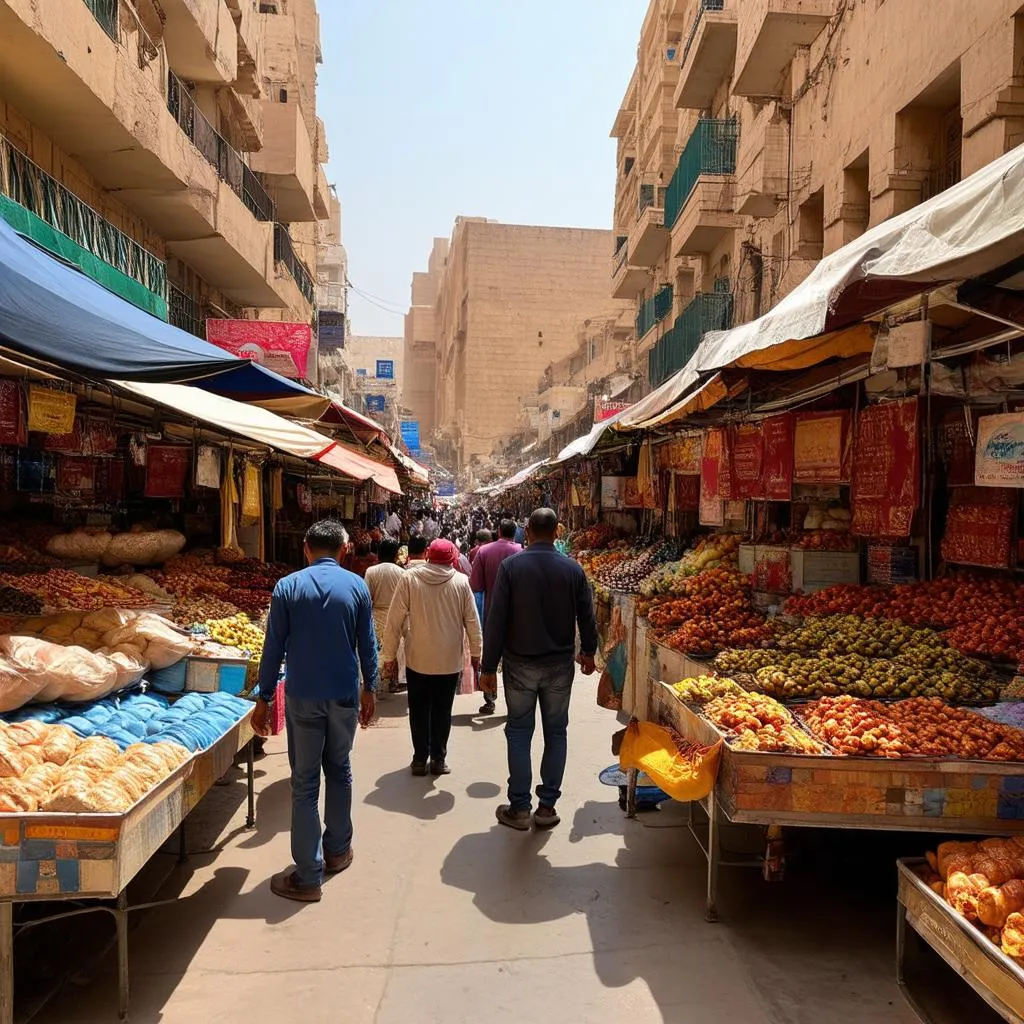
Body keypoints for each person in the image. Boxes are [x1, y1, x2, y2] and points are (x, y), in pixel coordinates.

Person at [253, 520, 378, 902]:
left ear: (305, 547)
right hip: (343, 693)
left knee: (305, 783)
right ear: (344, 550)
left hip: (303, 695)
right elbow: (367, 644)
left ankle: (309, 874)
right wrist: (370, 688)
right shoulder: (356, 586)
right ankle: (338, 851)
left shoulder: (287, 587)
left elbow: (272, 647)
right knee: (340, 770)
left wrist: (263, 697)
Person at [480, 508, 597, 831]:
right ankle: (546, 807)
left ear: (527, 531)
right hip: (559, 665)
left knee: (519, 732)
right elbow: (586, 614)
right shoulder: (572, 569)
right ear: (558, 531)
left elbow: (496, 619)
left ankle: (519, 808)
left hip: (519, 664)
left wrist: (488, 666)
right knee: (556, 732)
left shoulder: (511, 568)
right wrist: (589, 651)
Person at [381, 539, 482, 776]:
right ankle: (438, 759)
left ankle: (419, 759)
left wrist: (388, 656)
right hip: (449, 660)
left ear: (428, 555)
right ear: (452, 558)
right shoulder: (460, 582)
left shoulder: (409, 578)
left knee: (418, 709)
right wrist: (477, 654)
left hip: (418, 657)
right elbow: (472, 622)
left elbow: (394, 620)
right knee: (442, 709)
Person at [469, 520, 522, 715]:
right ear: (515, 533)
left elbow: (476, 586)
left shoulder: (484, 552)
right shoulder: (521, 552)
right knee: (513, 659)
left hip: (491, 613)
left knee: (489, 658)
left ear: (498, 532)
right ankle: (513, 704)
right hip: (517, 615)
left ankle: (490, 700)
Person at [364, 539, 405, 692]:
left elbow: (367, 597)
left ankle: (376, 680)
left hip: (376, 615)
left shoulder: (371, 571)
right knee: (394, 648)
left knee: (376, 649)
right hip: (396, 615)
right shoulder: (402, 573)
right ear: (395, 554)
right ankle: (393, 681)